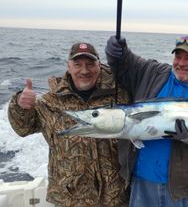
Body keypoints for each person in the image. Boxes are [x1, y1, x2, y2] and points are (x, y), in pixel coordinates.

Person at [105, 35, 188, 207]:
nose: (181, 63)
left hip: (186, 192)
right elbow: (124, 63)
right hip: (142, 184)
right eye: (178, 57)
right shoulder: (153, 73)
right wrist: (116, 50)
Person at [7, 42, 129, 207]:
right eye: (77, 64)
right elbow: (23, 128)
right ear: (68, 66)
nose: (84, 71)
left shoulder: (120, 95)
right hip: (69, 199)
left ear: (99, 64)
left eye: (90, 64)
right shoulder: (50, 101)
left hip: (116, 197)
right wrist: (20, 107)